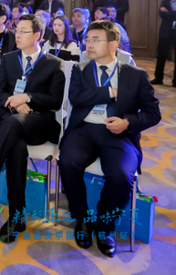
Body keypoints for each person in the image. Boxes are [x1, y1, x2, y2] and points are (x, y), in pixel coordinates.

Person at [59, 20, 161, 257]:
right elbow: (77, 97)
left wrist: (128, 122)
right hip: (84, 130)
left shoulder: (135, 75)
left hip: (118, 133)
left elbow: (153, 112)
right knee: (67, 161)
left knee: (122, 175)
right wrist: (110, 92)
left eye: (96, 40)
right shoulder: (80, 69)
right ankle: (83, 219)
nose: (89, 45)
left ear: (113, 44)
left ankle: (105, 226)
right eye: (87, 40)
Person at [0, 14, 65, 243]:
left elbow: (55, 101)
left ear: (37, 35)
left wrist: (27, 98)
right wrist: (14, 103)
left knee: (13, 125)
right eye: (16, 30)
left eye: (23, 31)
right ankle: (17, 217)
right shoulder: (8, 59)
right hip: (11, 119)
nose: (17, 35)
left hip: (39, 122)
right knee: (16, 147)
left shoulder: (53, 63)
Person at [153, 0, 176, 86]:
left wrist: (169, 13)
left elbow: (166, 14)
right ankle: (158, 78)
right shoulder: (165, 0)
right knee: (161, 55)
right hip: (166, 32)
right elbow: (162, 14)